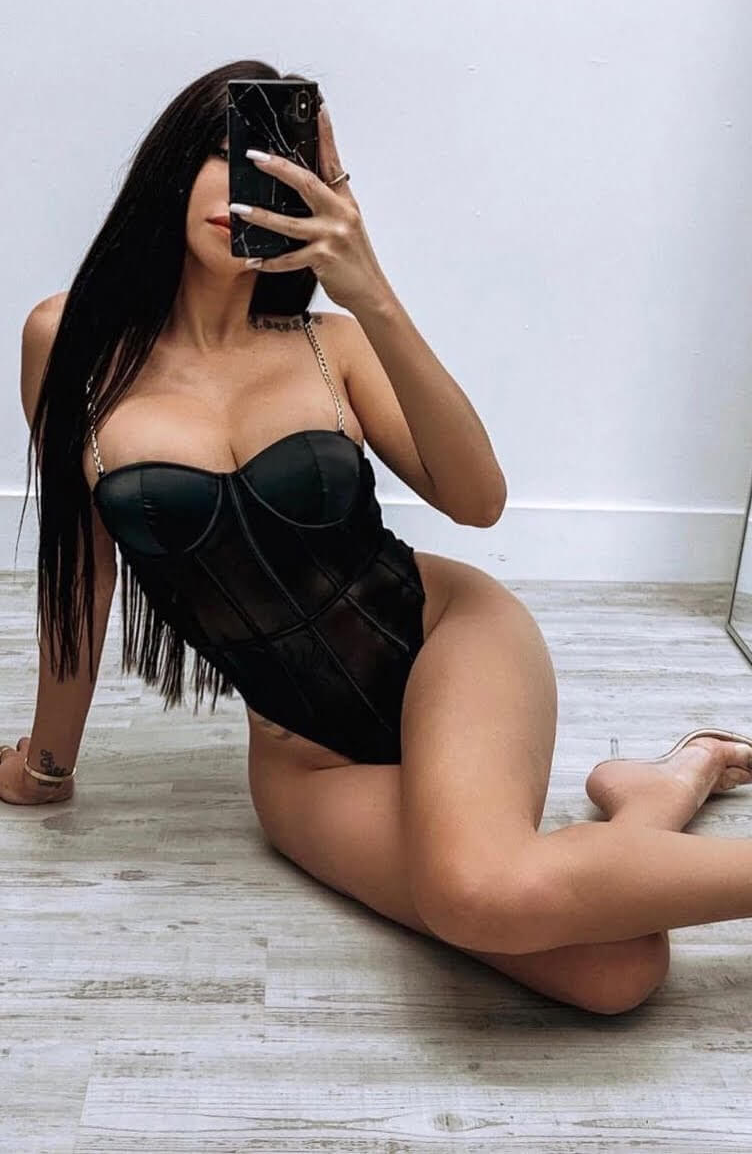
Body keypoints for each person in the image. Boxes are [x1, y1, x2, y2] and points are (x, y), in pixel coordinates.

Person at [4, 60, 752, 1018]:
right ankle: (657, 791)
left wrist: (373, 294)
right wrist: (47, 765)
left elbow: (479, 501)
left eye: (281, 166)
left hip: (447, 642)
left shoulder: (333, 344)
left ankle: (646, 799)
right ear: (171, 167)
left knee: (483, 886)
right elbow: (82, 569)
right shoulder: (67, 341)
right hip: (304, 756)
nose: (247, 186)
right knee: (615, 972)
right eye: (227, 154)